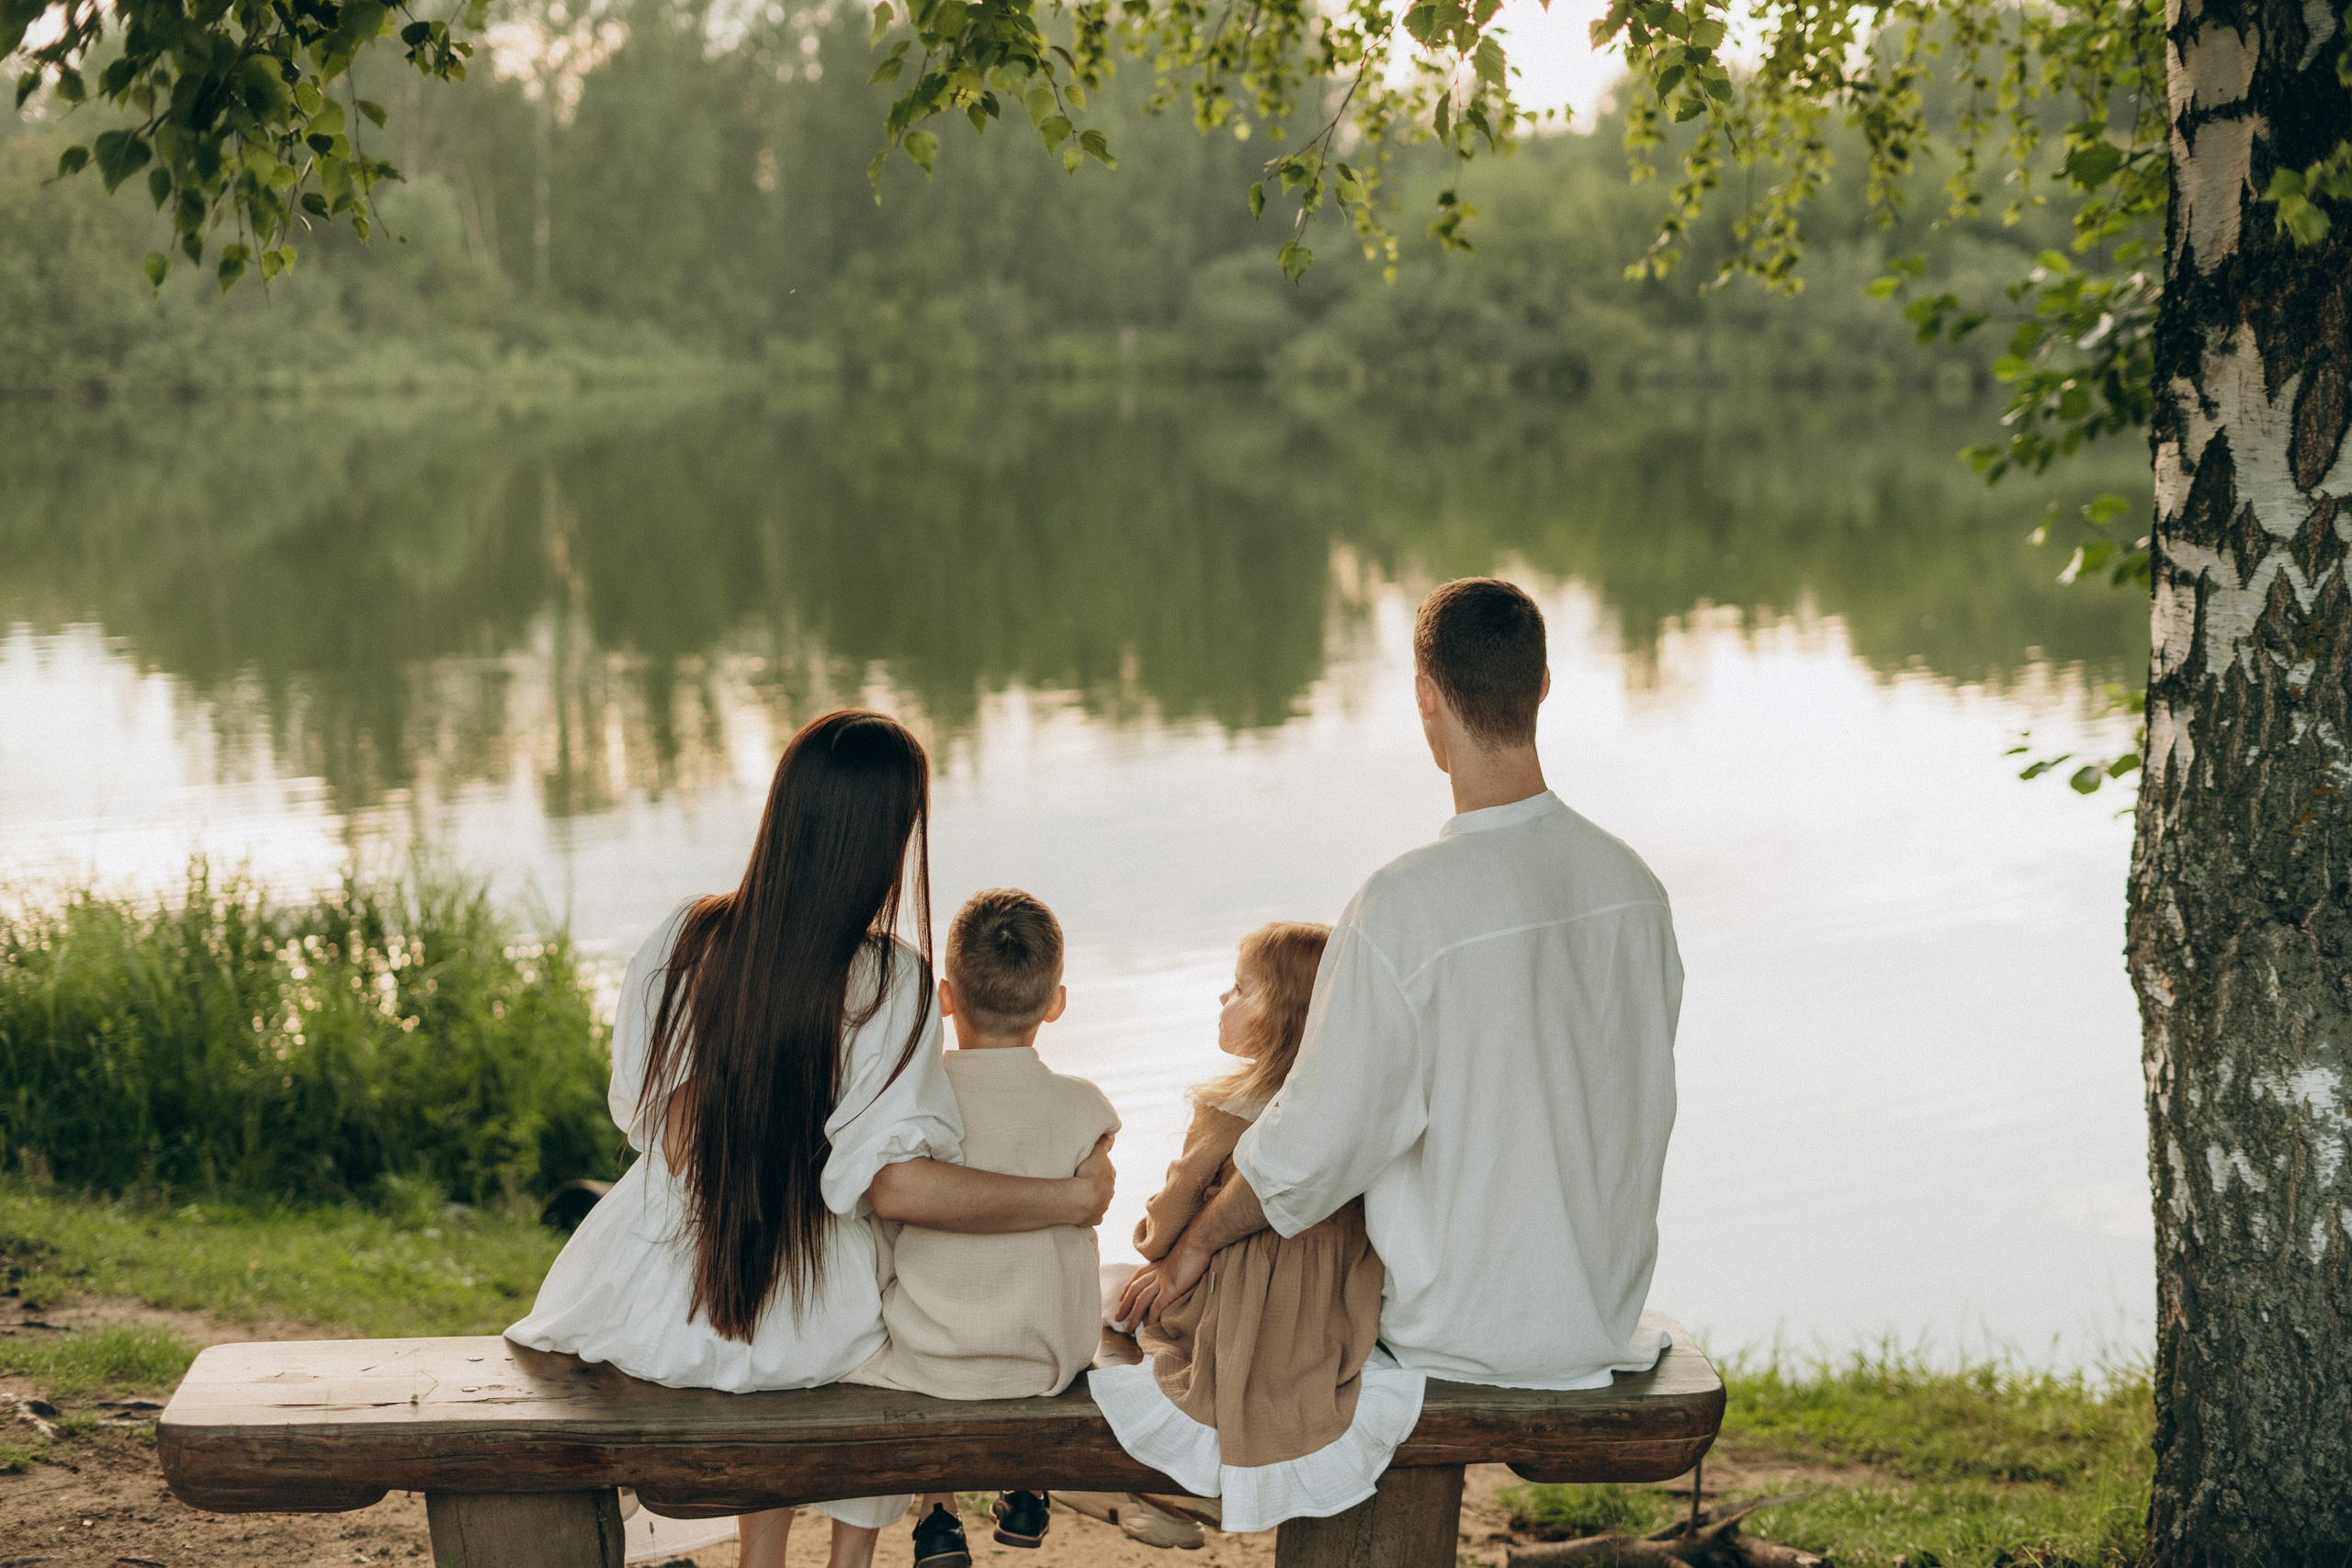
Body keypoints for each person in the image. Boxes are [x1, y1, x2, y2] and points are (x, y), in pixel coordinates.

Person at [506, 711, 1115, 1568]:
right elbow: (897, 1189)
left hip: (642, 1304)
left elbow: (660, 1126)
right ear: (887, 838)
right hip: (805, 1316)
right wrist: (1071, 1198)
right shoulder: (891, 977)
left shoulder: (684, 940)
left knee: (854, 1313)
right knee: (873, 1315)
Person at [1119, 577, 1682, 1409]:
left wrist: (1194, 1242)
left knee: (1214, 1291)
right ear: (1543, 685)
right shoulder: (1635, 888)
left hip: (1458, 1329)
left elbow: (1314, 1144)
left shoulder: (1404, 904)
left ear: (1426, 696)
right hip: (1599, 1315)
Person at [1089, 921, 1422, 1533]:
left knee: (1105, 1288)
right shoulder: (1348, 1115)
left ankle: (1155, 1488)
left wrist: (1150, 1238)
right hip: (1326, 1317)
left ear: (1283, 1016)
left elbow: (1163, 1229)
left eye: (1240, 989)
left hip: (1227, 1305)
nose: (1223, 1000)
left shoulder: (1224, 1112)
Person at [848, 888, 1121, 1566]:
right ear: (1055, 1002)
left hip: (932, 1358)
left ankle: (937, 1518)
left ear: (945, 996)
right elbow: (1095, 1204)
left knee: (887, 1275)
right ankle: (1026, 1490)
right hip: (1047, 1358)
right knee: (1052, 1265)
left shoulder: (918, 1104)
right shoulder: (1086, 1105)